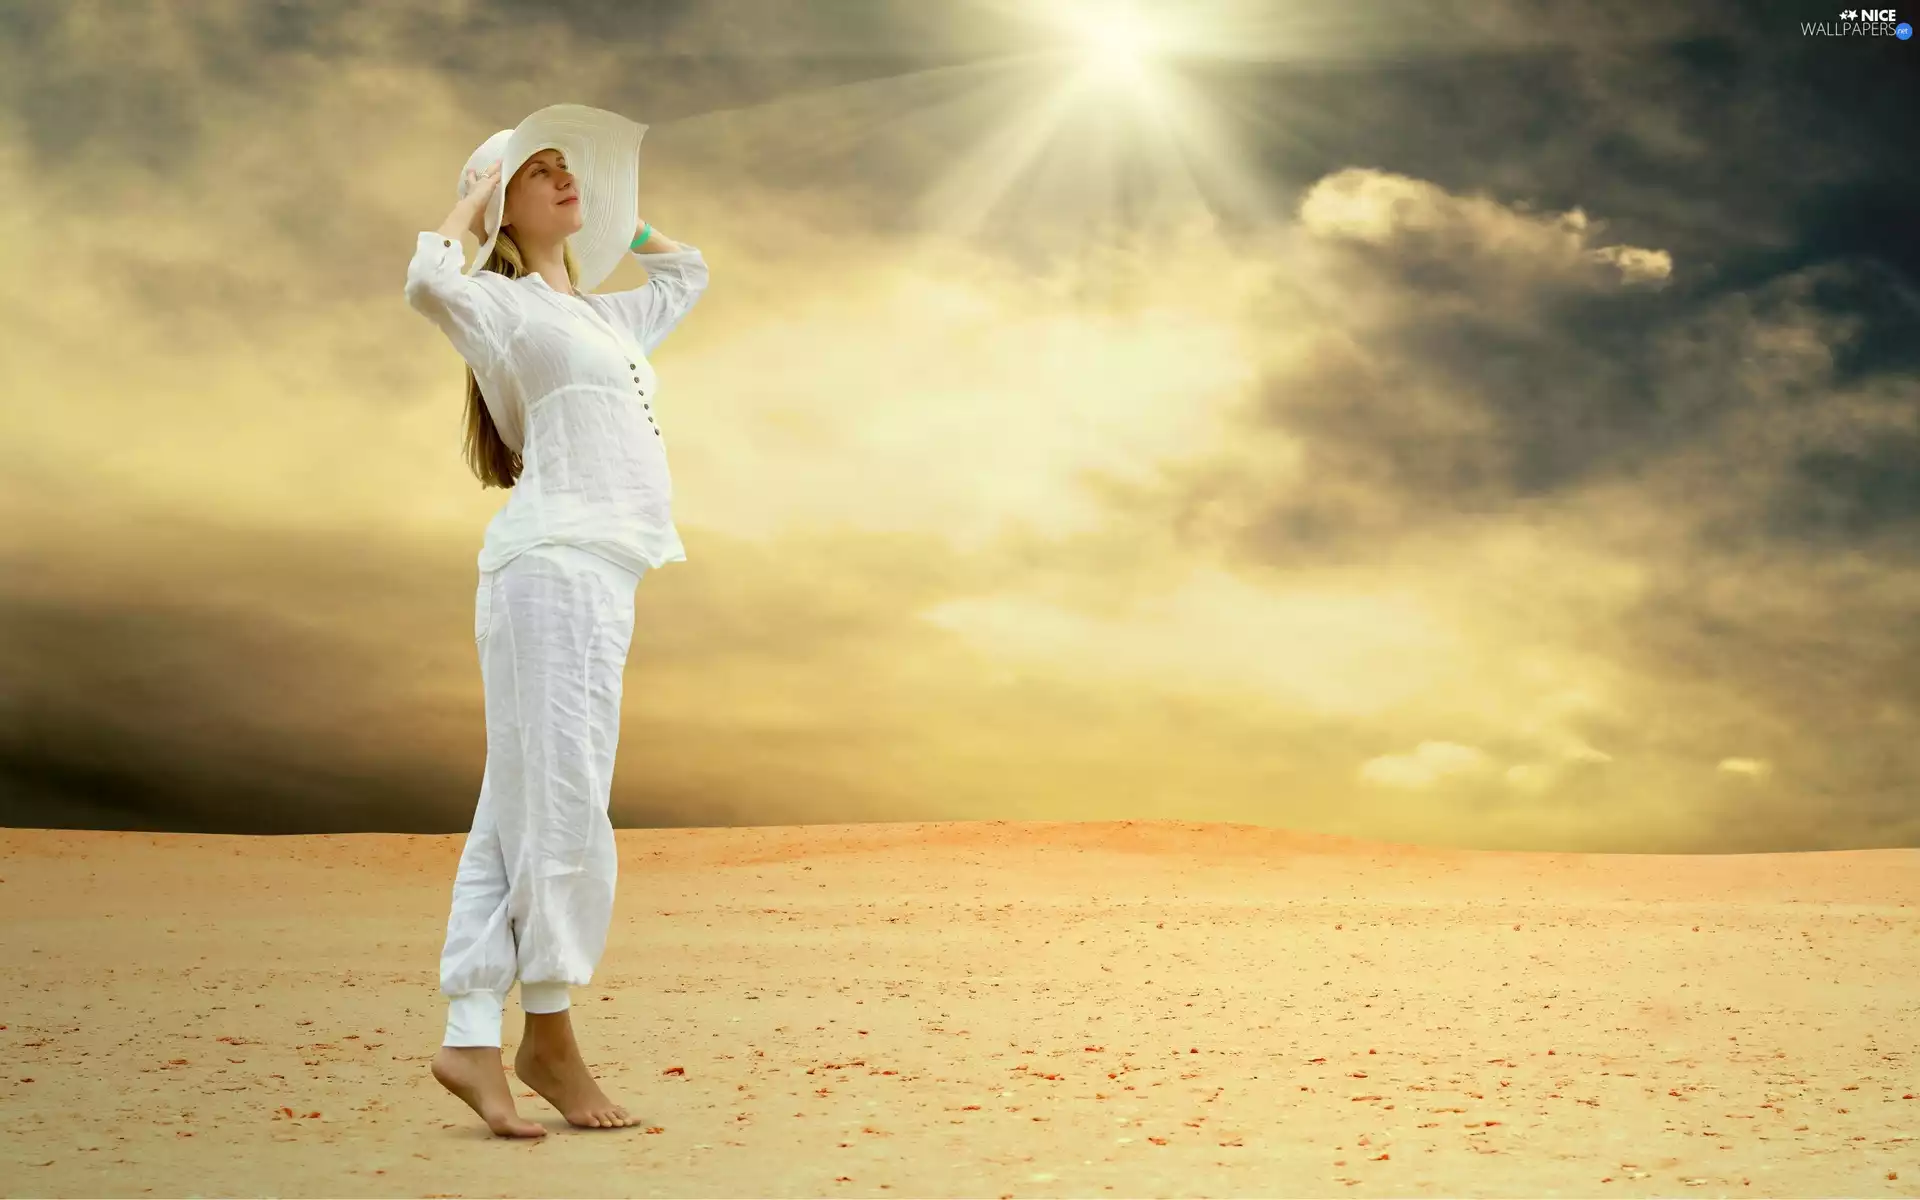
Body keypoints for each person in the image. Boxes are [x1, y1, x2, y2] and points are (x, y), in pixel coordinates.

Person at [402, 104, 709, 1138]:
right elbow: (426, 280)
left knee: (519, 805)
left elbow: (686, 275)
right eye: (542, 173)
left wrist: (618, 219)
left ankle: (467, 1033)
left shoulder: (602, 319)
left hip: (598, 573)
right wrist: (475, 200)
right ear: (503, 204)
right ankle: (550, 1031)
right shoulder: (503, 308)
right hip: (551, 567)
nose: (564, 180)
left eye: (565, 168)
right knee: (565, 805)